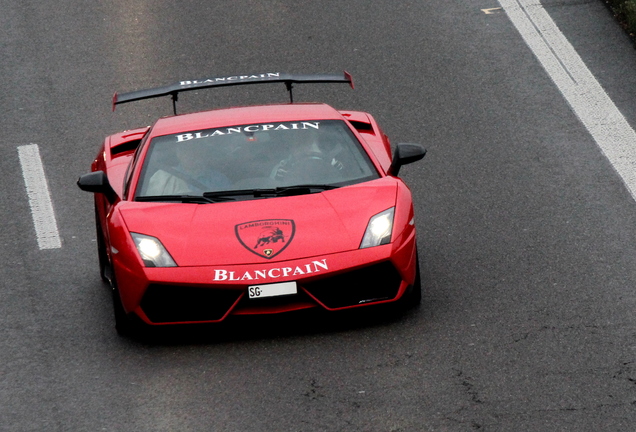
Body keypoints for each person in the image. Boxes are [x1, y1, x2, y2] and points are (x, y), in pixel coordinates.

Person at [144, 142, 231, 196]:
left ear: (202, 153)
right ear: (178, 154)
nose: (190, 155)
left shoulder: (218, 179)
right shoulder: (162, 177)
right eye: (185, 150)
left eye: (194, 150)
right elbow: (151, 206)